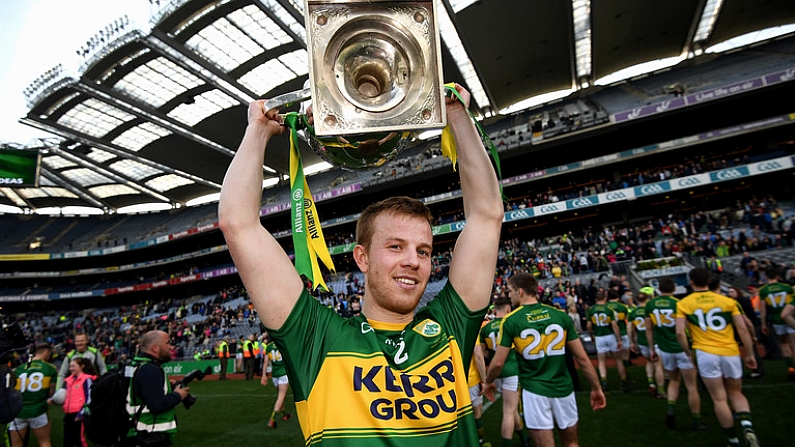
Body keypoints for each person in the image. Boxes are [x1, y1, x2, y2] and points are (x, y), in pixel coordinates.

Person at [218, 83, 504, 445]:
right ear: (362, 258)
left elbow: (487, 215)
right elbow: (238, 224)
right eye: (396, 246)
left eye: (424, 251)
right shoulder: (316, 339)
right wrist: (256, 131)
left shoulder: (451, 327)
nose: (413, 261)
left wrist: (458, 116)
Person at [485, 273, 605, 447]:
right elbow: (583, 359)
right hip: (563, 389)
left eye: (510, 291)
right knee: (572, 443)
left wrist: (488, 381)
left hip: (535, 392)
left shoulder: (511, 320)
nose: (509, 296)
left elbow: (497, 363)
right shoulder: (559, 315)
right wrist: (596, 387)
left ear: (520, 292)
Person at [676, 268, 759, 447]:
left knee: (719, 398)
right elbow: (743, 328)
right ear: (710, 280)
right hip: (729, 350)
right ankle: (747, 425)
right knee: (736, 392)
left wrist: (688, 352)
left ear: (691, 282)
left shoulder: (683, 303)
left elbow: (680, 333)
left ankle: (733, 440)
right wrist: (750, 353)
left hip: (705, 352)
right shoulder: (728, 301)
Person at [645, 277, 707, 431]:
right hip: (681, 348)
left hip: (665, 349)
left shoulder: (650, 304)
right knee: (692, 386)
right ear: (673, 289)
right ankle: (696, 420)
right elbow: (685, 330)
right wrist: (689, 350)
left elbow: (649, 329)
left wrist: (652, 348)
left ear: (659, 288)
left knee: (673, 381)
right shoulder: (679, 304)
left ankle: (671, 408)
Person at [122, 331, 190, 446]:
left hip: (135, 430)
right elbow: (156, 404)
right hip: (149, 434)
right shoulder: (150, 369)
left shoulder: (134, 364)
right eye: (168, 343)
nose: (171, 347)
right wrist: (179, 395)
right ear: (155, 348)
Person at [479, 297, 528, 447]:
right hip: (510, 370)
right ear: (508, 309)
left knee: (511, 410)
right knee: (509, 411)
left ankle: (524, 438)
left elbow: (483, 353)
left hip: (494, 371)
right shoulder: (512, 323)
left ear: (494, 309)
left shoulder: (486, 328)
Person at [10, 343, 57, 447]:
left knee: (16, 444)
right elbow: (51, 392)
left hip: (19, 411)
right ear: (47, 352)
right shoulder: (51, 368)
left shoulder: (18, 369)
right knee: (44, 442)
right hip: (39, 410)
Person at [585, 289, 629, 393]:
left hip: (599, 336)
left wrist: (591, 335)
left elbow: (589, 326)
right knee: (618, 359)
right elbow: (614, 325)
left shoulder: (591, 310)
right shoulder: (609, 309)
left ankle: (604, 381)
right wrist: (619, 339)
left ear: (596, 299)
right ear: (604, 298)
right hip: (609, 335)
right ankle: (624, 381)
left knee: (601, 361)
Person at [627, 287, 665, 399]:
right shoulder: (651, 310)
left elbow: (630, 329)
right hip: (655, 339)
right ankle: (661, 390)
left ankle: (650, 382)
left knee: (648, 362)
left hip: (642, 340)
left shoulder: (633, 312)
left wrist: (631, 342)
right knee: (658, 365)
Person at [758, 267, 795, 380]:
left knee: (784, 343)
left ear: (765, 277)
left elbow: (763, 309)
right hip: (791, 317)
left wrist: (763, 323)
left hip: (776, 319)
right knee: (793, 343)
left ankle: (791, 368)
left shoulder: (763, 290)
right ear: (778, 276)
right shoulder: (787, 287)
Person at [61, 358, 96, 447]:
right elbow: (65, 395)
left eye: (73, 366)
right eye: (70, 366)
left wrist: (81, 413)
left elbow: (89, 397)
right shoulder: (69, 380)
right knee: (67, 440)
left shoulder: (86, 379)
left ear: (82, 366)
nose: (71, 368)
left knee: (79, 440)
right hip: (68, 414)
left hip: (79, 414)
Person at [262, 336, 291, 428]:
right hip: (283, 373)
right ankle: (272, 419)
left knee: (280, 396)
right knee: (281, 397)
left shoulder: (269, 346)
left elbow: (266, 361)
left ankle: (284, 415)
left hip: (275, 375)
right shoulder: (284, 344)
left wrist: (264, 375)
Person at [606, 289, 632, 371]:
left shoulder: (605, 307)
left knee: (618, 358)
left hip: (611, 333)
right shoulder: (623, 307)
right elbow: (627, 320)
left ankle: (623, 374)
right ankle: (626, 370)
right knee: (625, 355)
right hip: (623, 331)